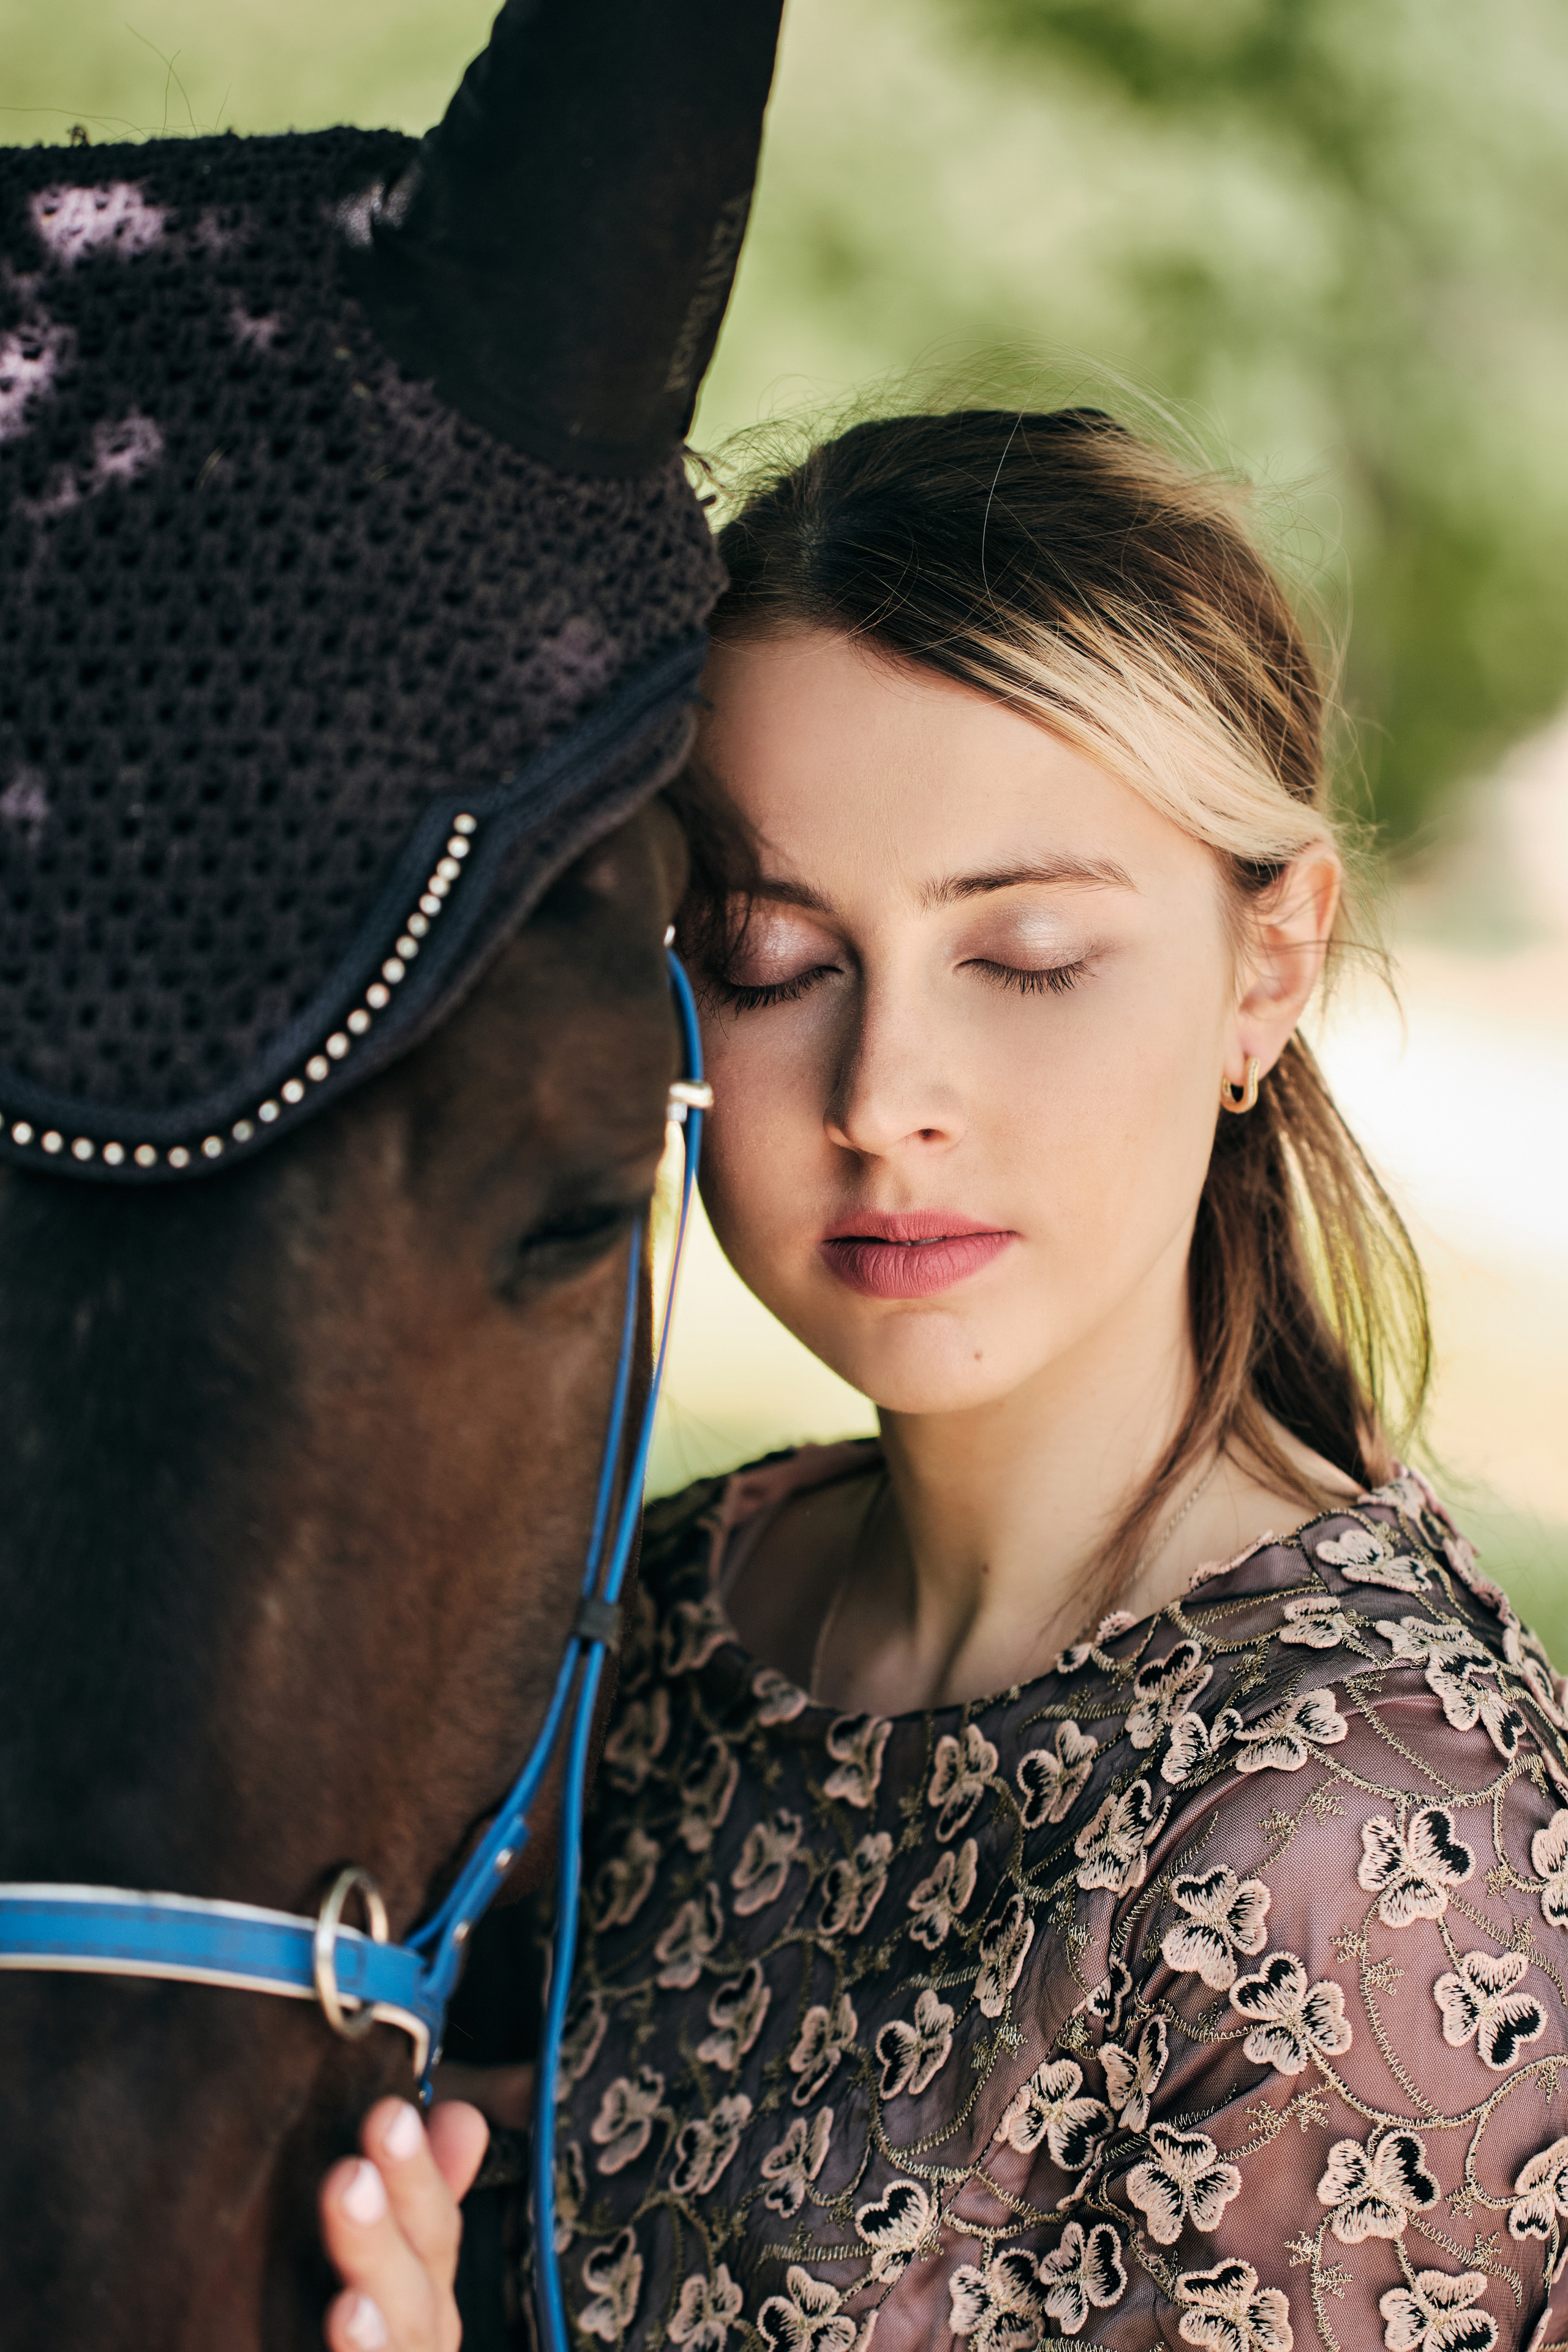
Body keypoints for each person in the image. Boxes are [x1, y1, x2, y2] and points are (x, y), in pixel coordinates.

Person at [333, 406, 1568, 2352]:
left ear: (1270, 967)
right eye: (765, 955)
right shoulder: (655, 1619)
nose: (885, 1096)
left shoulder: (1371, 1850)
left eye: (1032, 954)